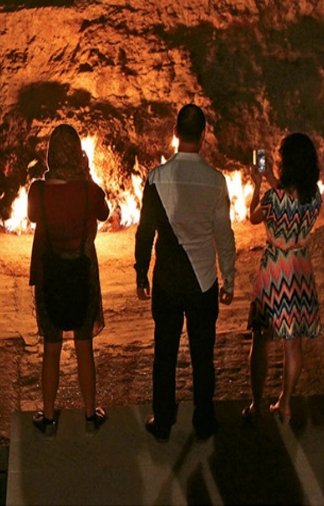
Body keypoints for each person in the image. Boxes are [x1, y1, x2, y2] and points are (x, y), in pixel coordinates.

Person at [134, 103, 236, 443]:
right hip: (203, 282)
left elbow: (145, 231)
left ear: (175, 133)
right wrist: (229, 278)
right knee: (202, 355)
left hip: (167, 278)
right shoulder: (216, 181)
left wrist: (141, 273)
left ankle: (163, 419)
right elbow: (224, 235)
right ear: (204, 136)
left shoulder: (156, 178)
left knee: (165, 353)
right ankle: (204, 420)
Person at [27, 124, 110, 437]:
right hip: (83, 275)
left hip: (50, 276)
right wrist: (86, 174)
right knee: (84, 345)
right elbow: (104, 212)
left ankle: (48, 416)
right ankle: (89, 413)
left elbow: (33, 216)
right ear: (77, 154)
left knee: (52, 348)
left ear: (50, 155)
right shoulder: (89, 191)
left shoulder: (38, 192)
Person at [243, 133, 323, 425]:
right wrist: (270, 181)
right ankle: (285, 403)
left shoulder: (272, 198)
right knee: (293, 343)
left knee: (261, 339)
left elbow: (253, 217)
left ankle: (257, 403)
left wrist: (257, 184)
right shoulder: (315, 197)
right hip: (300, 269)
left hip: (274, 271)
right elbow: (293, 199)